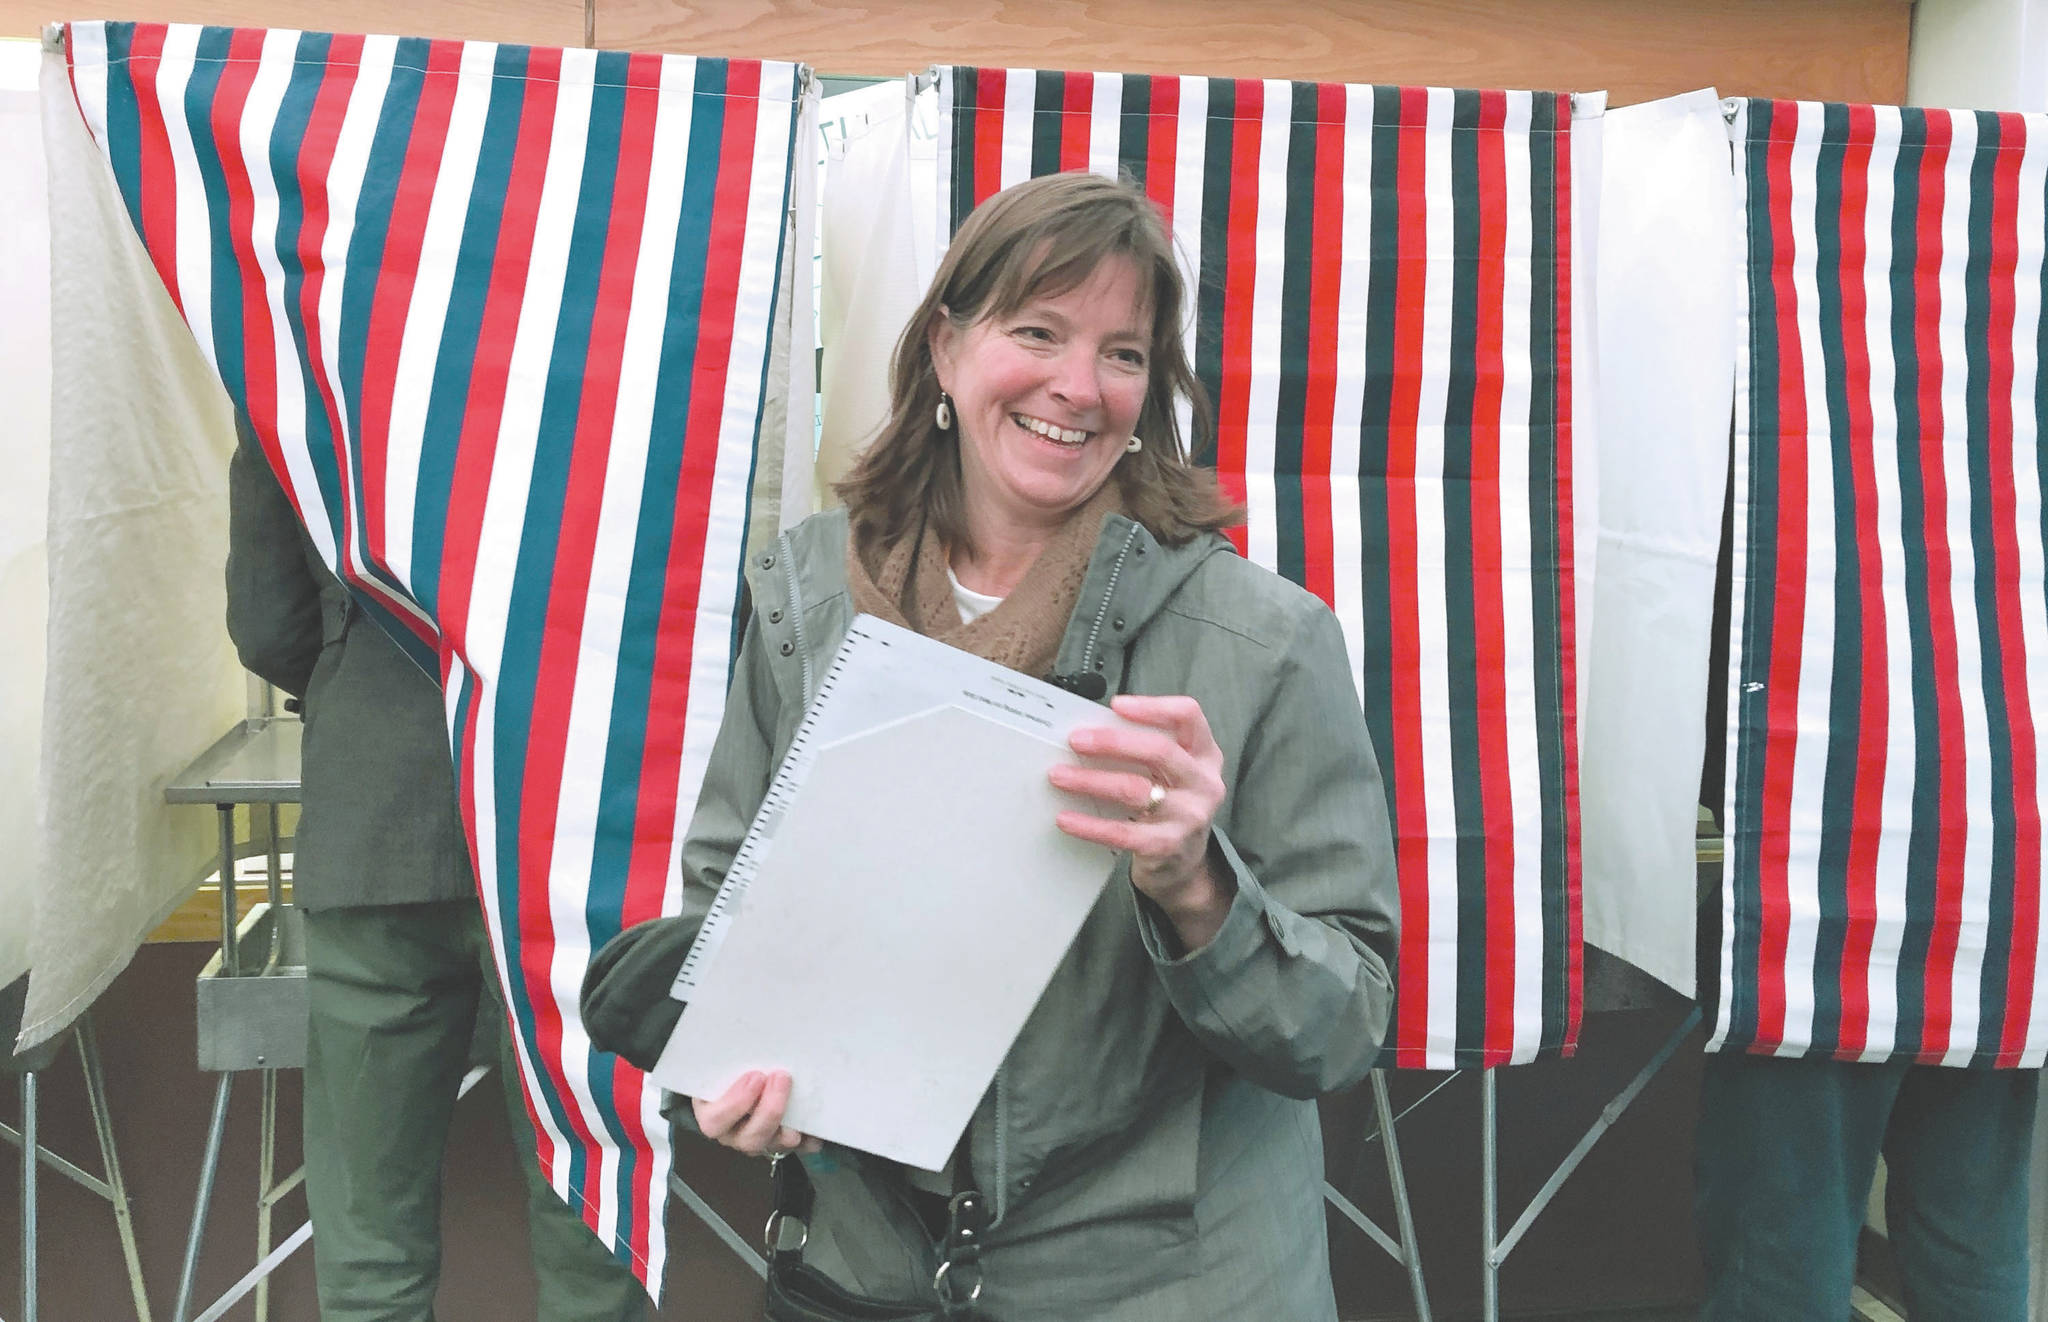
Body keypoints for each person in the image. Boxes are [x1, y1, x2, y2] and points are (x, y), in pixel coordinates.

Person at [581, 171, 1400, 1319]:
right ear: (945, 345)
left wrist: (1194, 881)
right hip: (862, 1272)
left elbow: (1342, 1023)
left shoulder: (1260, 641)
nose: (1078, 385)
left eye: (1123, 352)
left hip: (1167, 1285)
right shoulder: (806, 598)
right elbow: (735, 911)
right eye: (1038, 331)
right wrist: (735, 1070)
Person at [225, 420, 649, 1322]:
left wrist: (371, 689)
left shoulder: (301, 345)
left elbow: (268, 624)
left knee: (370, 1257)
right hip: (566, 820)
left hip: (376, 810)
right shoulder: (617, 321)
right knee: (594, 1243)